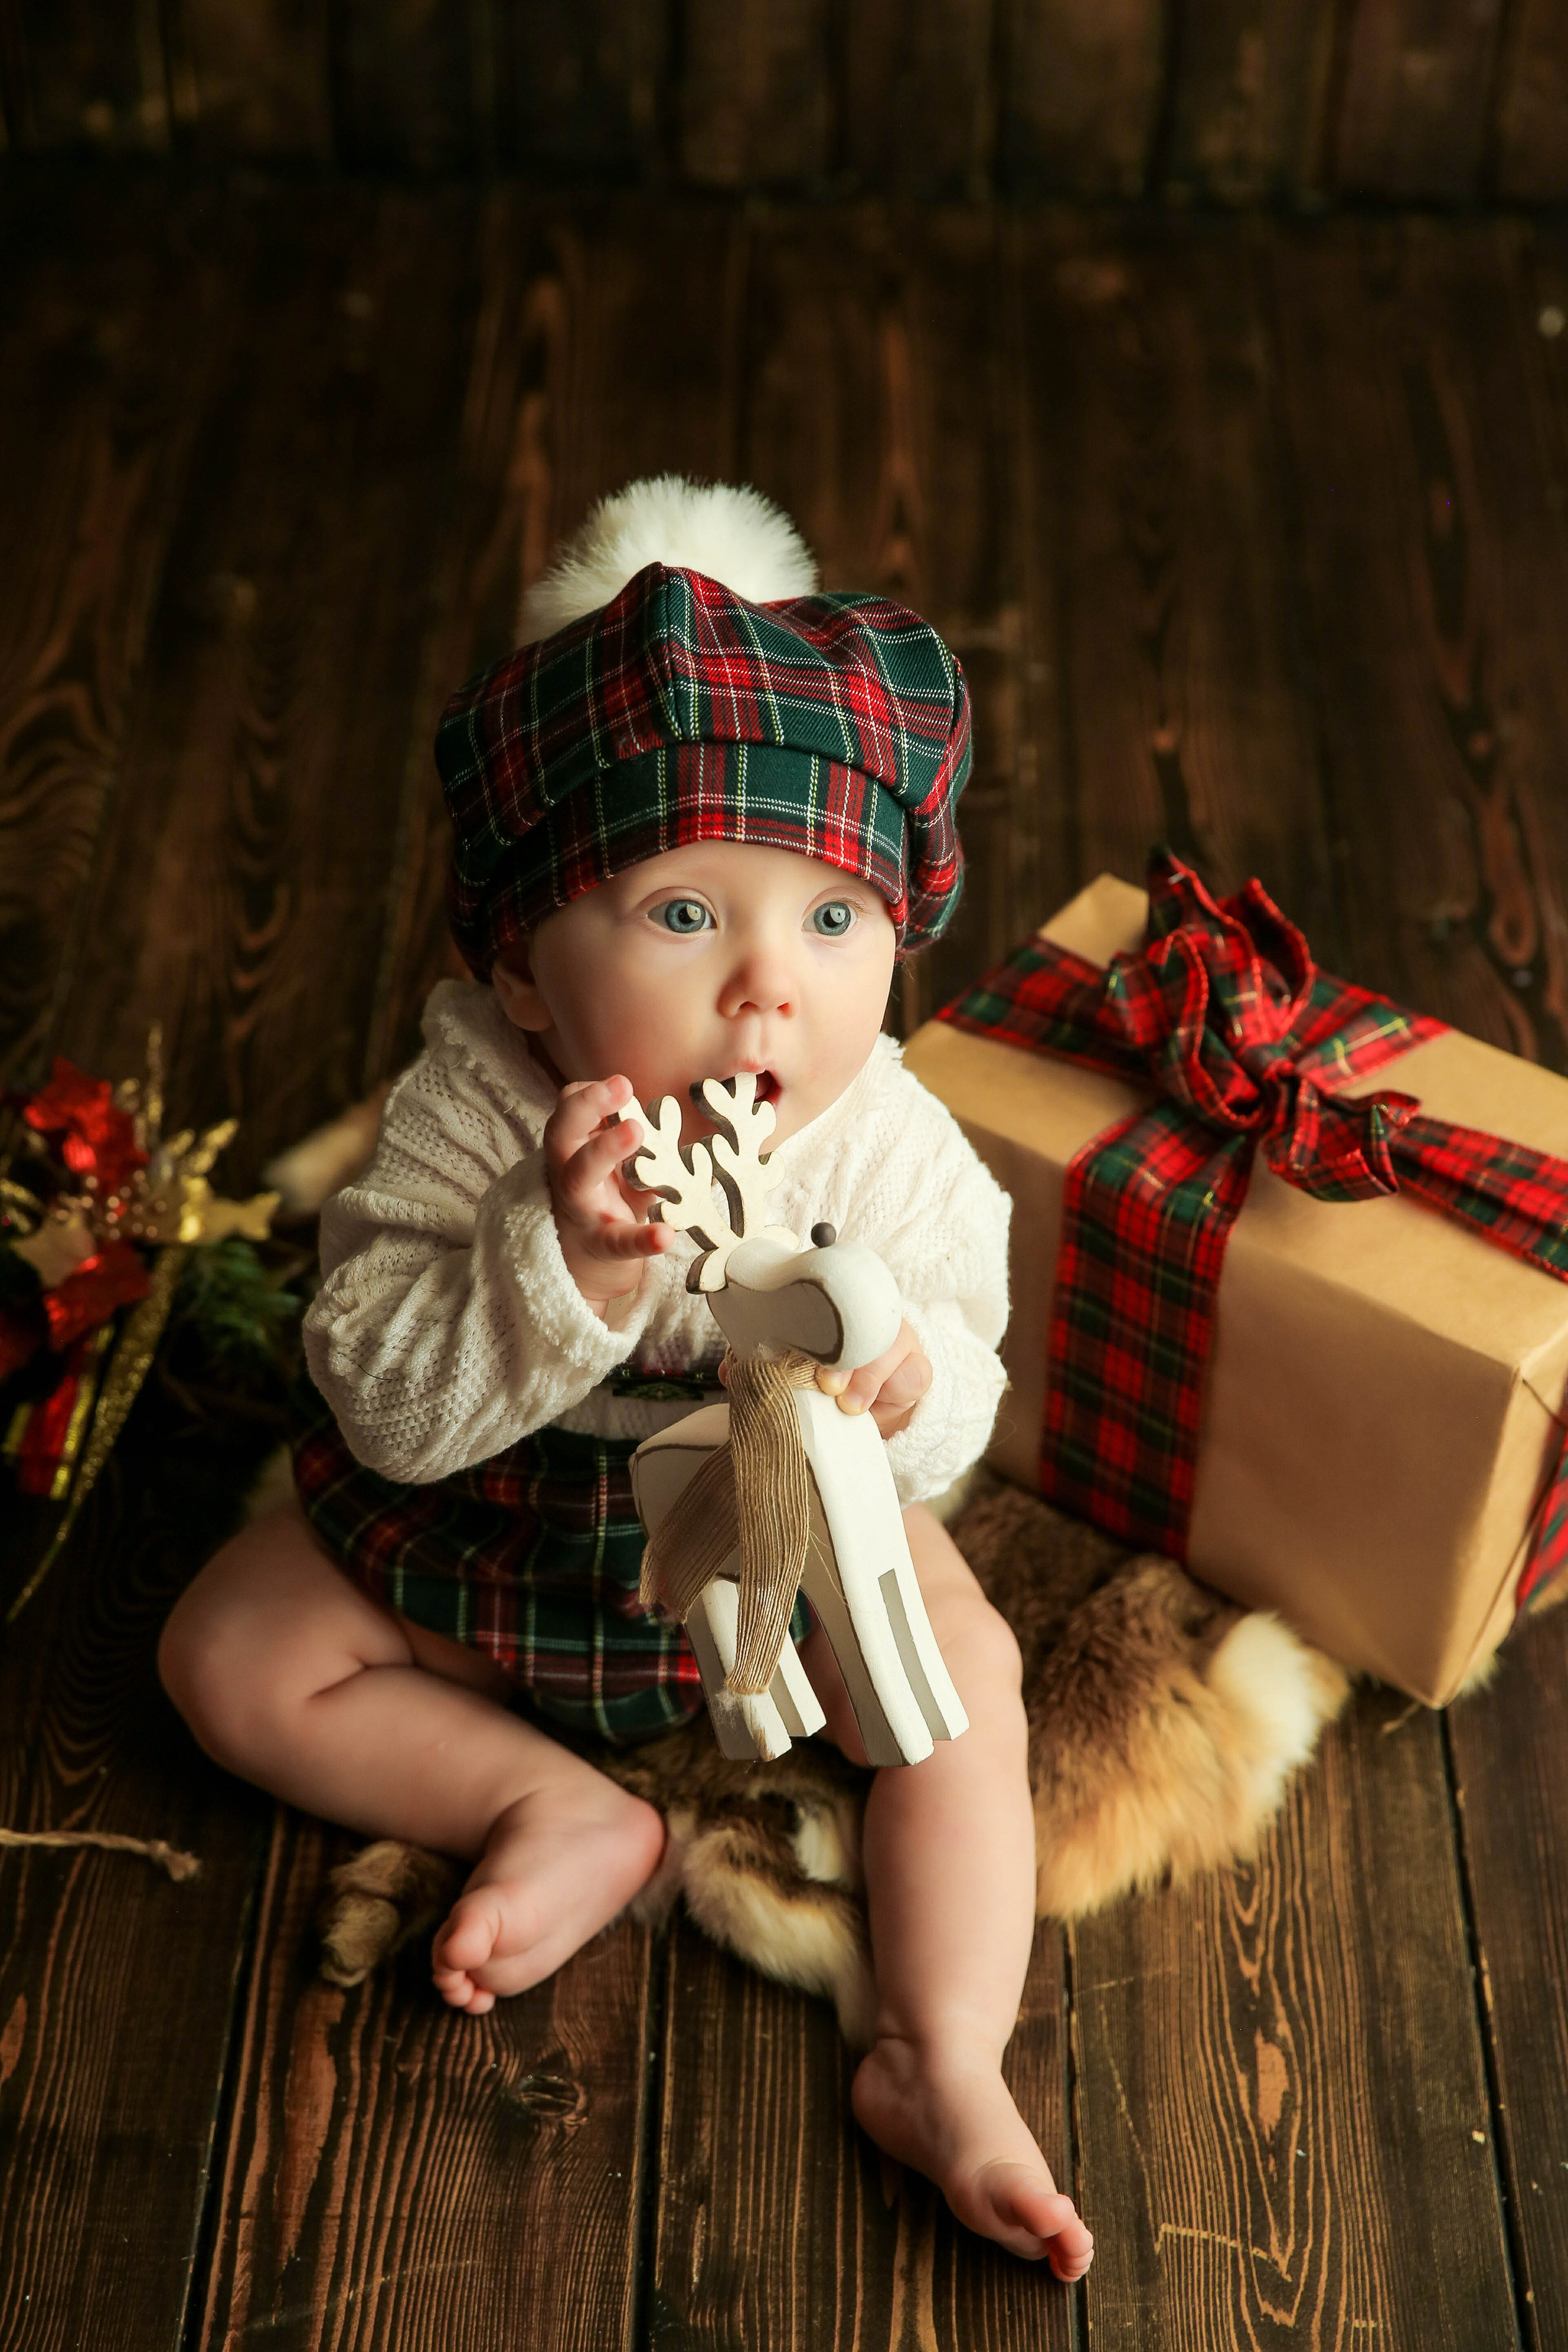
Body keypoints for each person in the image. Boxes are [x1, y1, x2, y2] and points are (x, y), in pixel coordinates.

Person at [157, 477, 1093, 2278]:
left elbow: (976, 1391)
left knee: (964, 1680)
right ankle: (541, 1804)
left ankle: (940, 2050)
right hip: (489, 1527)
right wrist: (562, 1258)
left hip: (771, 1551)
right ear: (518, 963)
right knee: (226, 1652)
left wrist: (898, 1369)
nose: (770, 990)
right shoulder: (467, 1114)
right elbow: (379, 1402)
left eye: (834, 921)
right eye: (684, 917)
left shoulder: (884, 1144)